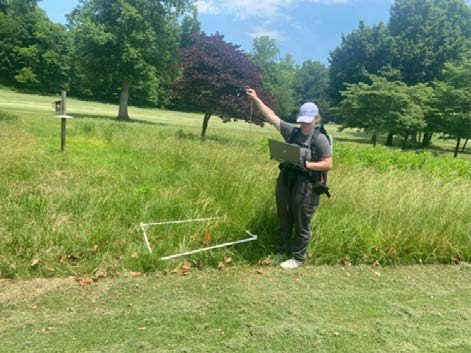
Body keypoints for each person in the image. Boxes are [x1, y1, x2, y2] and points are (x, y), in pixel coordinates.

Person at [245, 87, 333, 269]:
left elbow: (328, 164)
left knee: (301, 220)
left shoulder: (320, 139)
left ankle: (298, 258)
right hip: (285, 180)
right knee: (284, 216)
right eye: (302, 121)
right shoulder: (292, 132)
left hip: (307, 185)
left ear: (316, 119)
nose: (305, 125)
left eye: (308, 121)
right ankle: (283, 250)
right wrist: (256, 98)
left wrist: (306, 164)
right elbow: (272, 117)